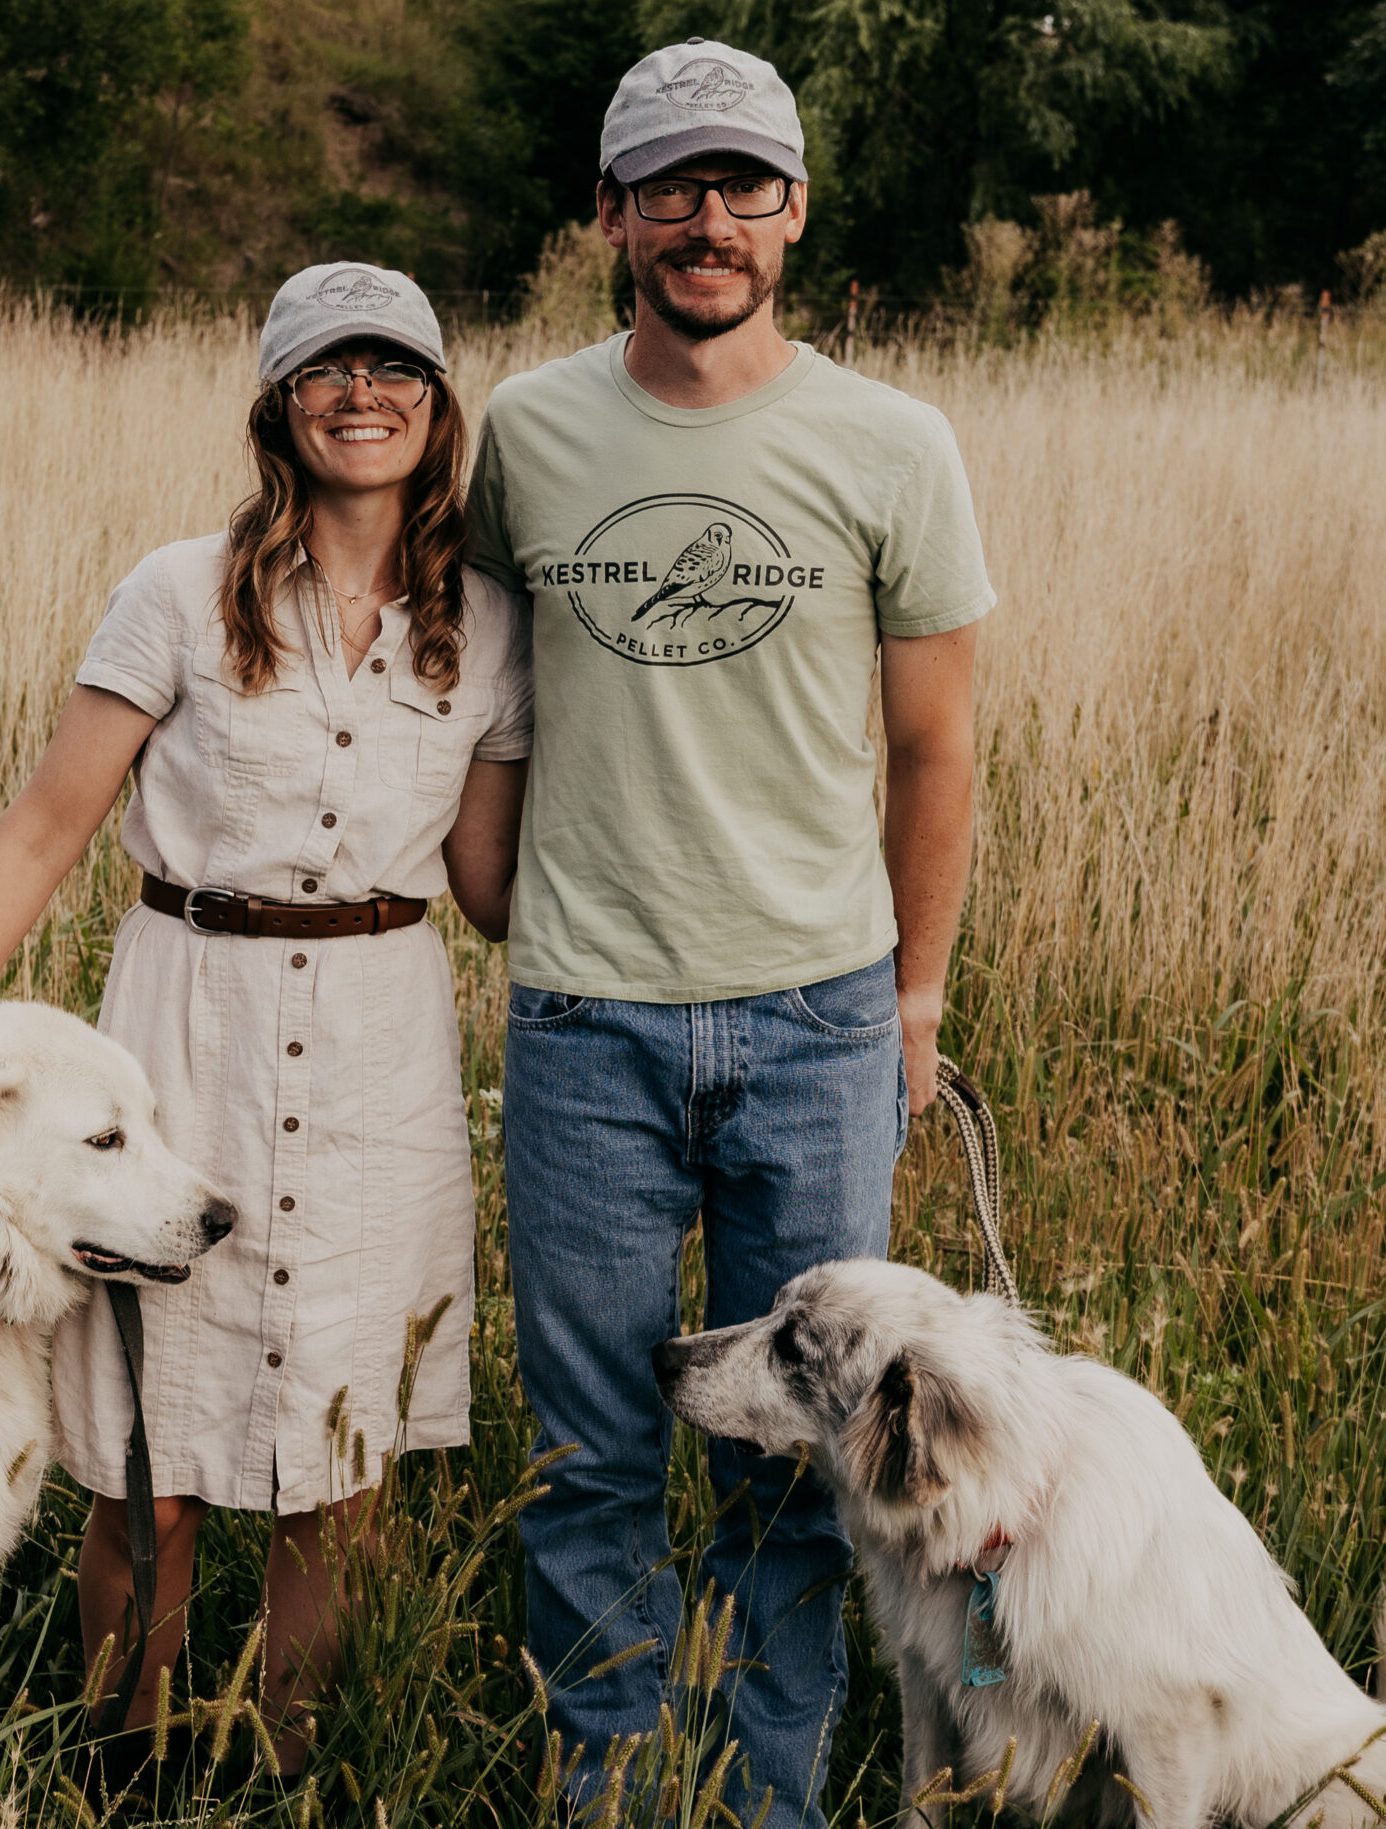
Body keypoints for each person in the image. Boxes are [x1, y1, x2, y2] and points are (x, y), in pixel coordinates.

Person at [0, 262, 532, 1780]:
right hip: (181, 1042)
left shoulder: (485, 627)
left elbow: (491, 888)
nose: (365, 392)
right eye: (329, 367)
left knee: (336, 1476)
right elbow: (42, 830)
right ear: (280, 405)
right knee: (145, 1469)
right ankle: (126, 1758)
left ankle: (278, 1763)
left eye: (395, 366)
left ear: (439, 403)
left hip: (380, 1051)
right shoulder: (176, 589)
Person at [462, 39, 991, 1827]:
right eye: (671, 186)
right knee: (594, 1448)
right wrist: (484, 892)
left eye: (743, 184)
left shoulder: (890, 443)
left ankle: (767, 1802)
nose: (709, 220)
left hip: (818, 1024)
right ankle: (613, 1792)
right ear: (609, 214)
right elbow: (477, 692)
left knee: (808, 1456)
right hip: (587, 1021)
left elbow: (936, 743)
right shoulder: (526, 431)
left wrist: (914, 991)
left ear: (796, 211)